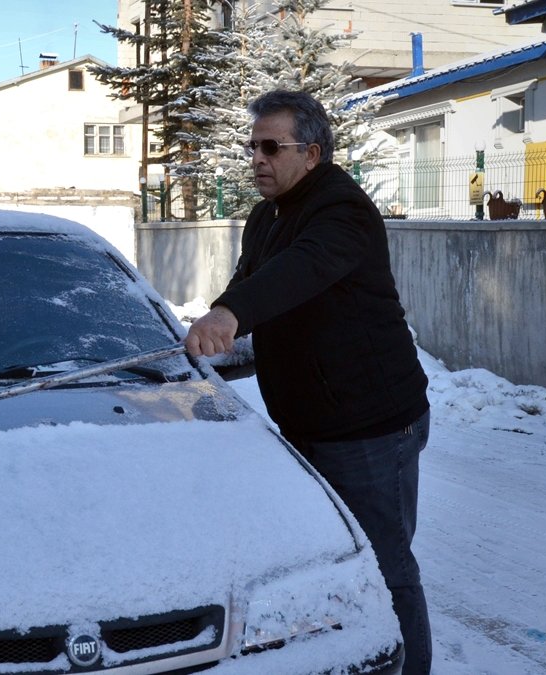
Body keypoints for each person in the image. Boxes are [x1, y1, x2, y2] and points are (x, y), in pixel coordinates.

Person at [185, 89, 432, 673]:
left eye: (272, 147)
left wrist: (230, 313)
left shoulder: (341, 210)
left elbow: (301, 272)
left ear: (313, 154)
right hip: (309, 424)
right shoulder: (267, 215)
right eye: (253, 147)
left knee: (386, 568)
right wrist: (207, 346)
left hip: (371, 427)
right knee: (331, 564)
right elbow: (258, 292)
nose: (257, 158)